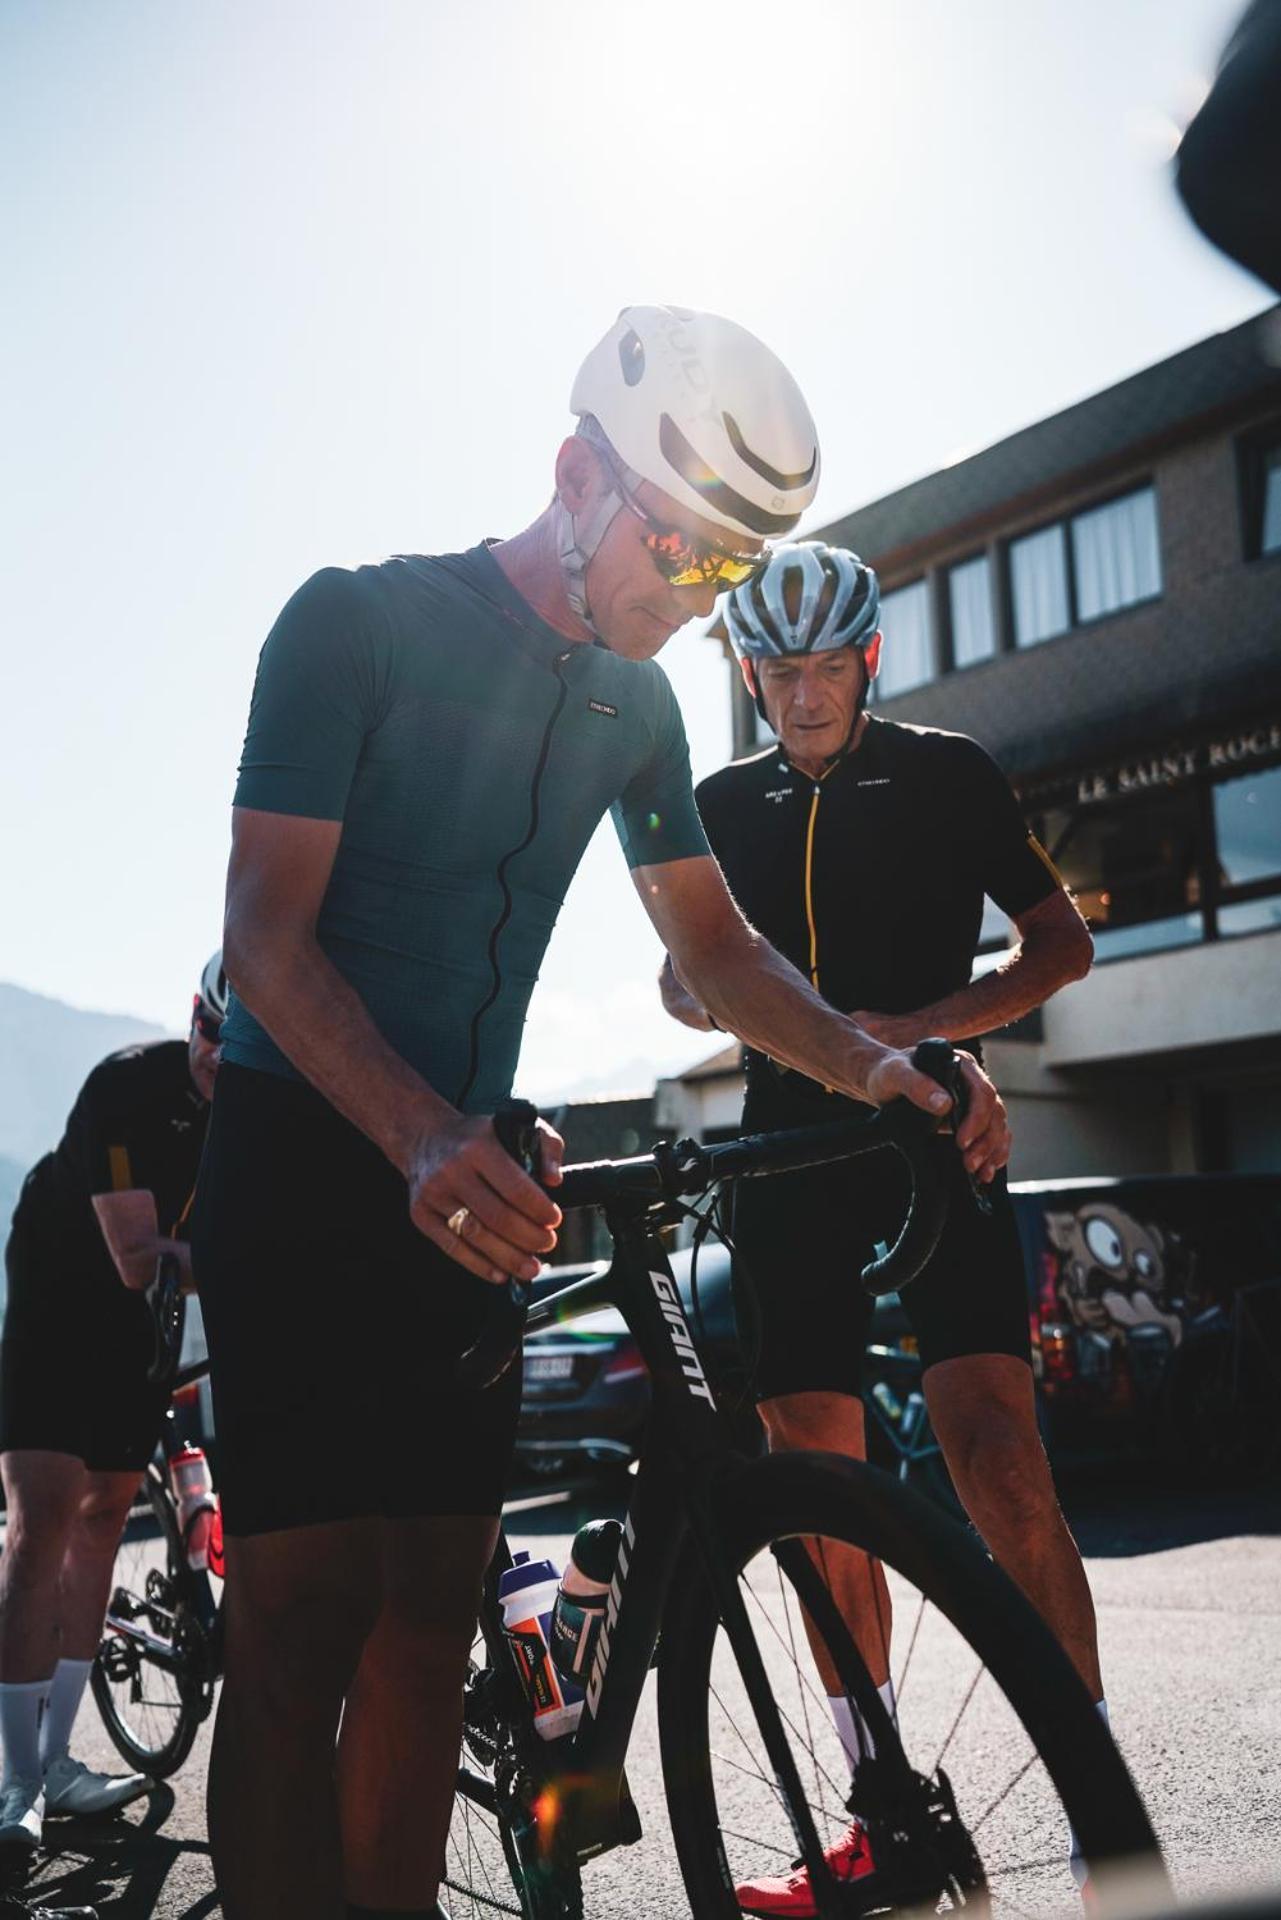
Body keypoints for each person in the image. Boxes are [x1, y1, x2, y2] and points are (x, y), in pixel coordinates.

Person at [191, 304, 1011, 1920]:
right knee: (300, 1621)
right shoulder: (351, 627)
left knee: (434, 1616)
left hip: (470, 1178)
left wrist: (883, 1067)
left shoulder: (634, 710)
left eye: (728, 574)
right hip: (303, 1153)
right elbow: (264, 942)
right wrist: (420, 1131)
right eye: (679, 550)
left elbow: (719, 951)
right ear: (575, 473)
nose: (694, 600)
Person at [659, 541, 1099, 1916]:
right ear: (750, 673)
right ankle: (880, 1810)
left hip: (930, 1130)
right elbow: (683, 988)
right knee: (821, 1494)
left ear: (868, 661)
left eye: (822, 670)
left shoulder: (950, 770)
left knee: (998, 1465)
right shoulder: (716, 802)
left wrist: (917, 1030)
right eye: (775, 672)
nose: (800, 695)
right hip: (785, 1153)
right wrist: (716, 994)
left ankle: (1099, 1812)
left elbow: (1057, 948)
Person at [0, 956, 226, 1858]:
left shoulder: (256, 1112)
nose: (218, 1053)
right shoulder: (130, 1086)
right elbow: (141, 1260)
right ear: (194, 1016)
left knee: (102, 1526)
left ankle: (55, 1765)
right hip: (62, 1296)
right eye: (211, 1029)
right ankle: (15, 1781)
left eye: (239, 1042)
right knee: (45, 1515)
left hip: (143, 1326)